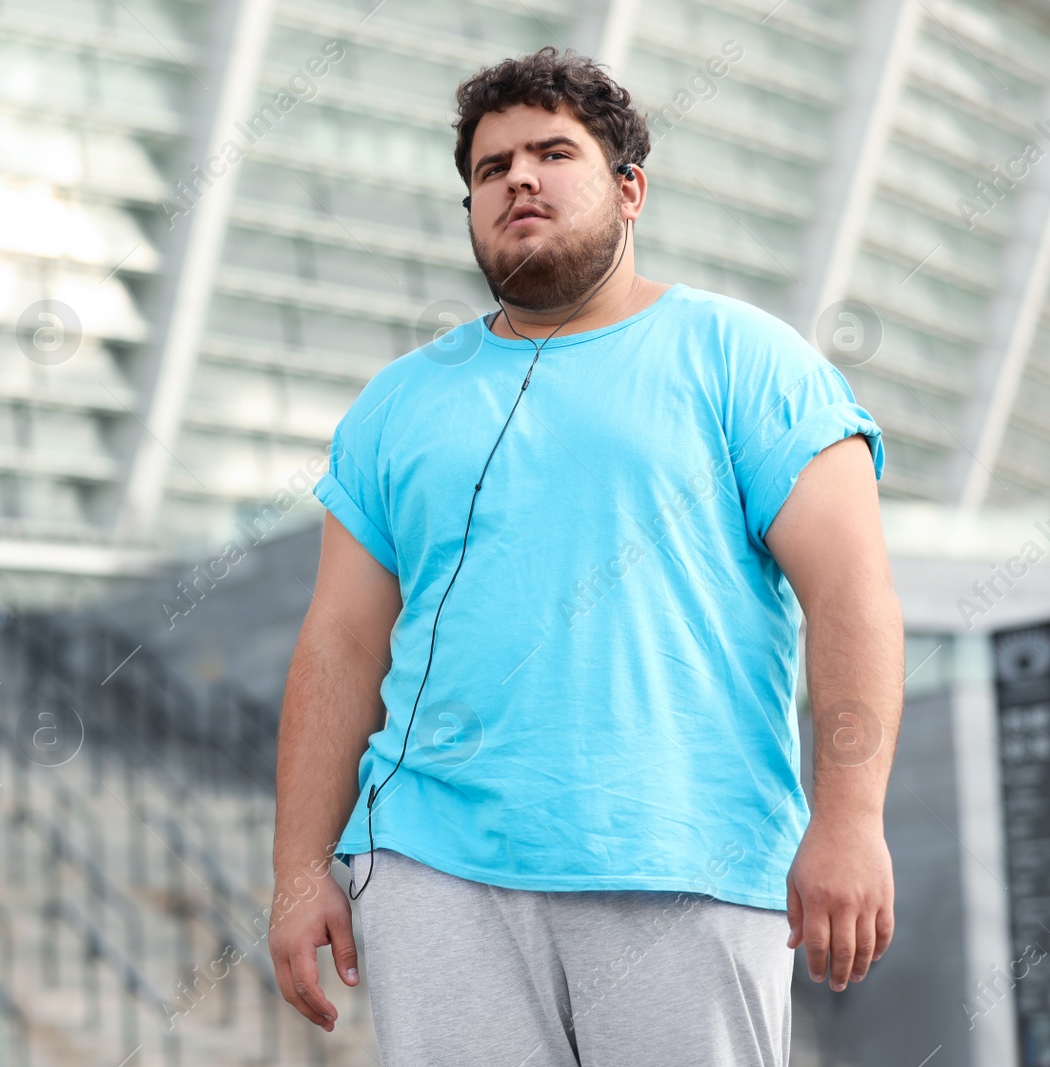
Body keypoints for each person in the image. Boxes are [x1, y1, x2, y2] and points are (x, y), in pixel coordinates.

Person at [268, 46, 902, 1066]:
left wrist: (851, 821)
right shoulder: (397, 402)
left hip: (682, 858)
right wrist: (298, 871)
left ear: (628, 187)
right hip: (432, 868)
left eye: (551, 152)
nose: (517, 178)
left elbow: (851, 596)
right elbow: (337, 645)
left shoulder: (747, 358)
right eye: (489, 167)